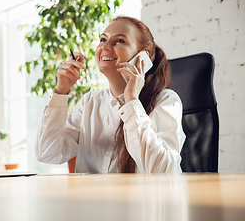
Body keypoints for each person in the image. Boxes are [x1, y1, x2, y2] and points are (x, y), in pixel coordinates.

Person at [35, 16, 186, 173]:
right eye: (102, 39)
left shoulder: (166, 100)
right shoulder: (90, 102)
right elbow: (47, 153)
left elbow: (161, 170)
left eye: (119, 41)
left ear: (142, 58)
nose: (105, 46)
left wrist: (131, 102)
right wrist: (61, 91)